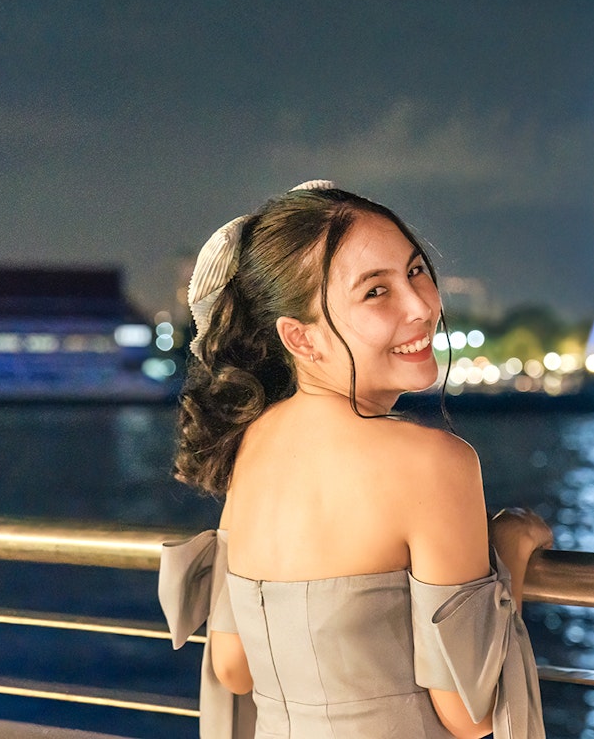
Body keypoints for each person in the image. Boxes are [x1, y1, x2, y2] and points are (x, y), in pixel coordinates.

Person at [158, 181, 553, 739]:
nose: (421, 306)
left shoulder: (254, 443)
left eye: (415, 271)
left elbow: (232, 666)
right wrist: (508, 550)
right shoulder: (433, 463)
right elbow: (470, 714)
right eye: (375, 292)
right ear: (301, 338)